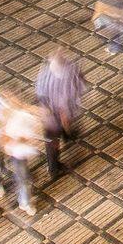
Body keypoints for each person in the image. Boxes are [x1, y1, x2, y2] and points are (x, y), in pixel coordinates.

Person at [35, 49, 86, 179]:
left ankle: (66, 135)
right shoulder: (68, 72)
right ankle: (53, 168)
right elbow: (77, 86)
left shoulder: (46, 73)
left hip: (51, 114)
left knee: (53, 138)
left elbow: (40, 94)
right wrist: (63, 115)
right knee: (52, 142)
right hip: (54, 115)